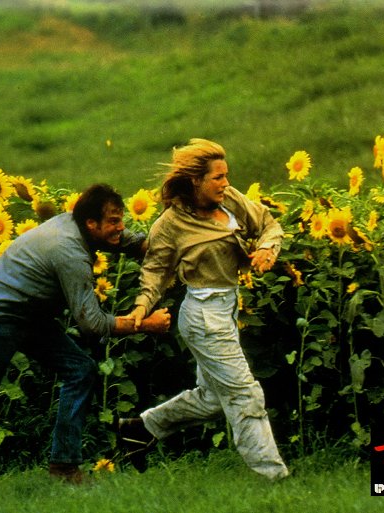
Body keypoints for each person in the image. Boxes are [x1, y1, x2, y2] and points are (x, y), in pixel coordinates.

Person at [0, 183, 171, 492]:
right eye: (113, 221)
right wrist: (146, 323)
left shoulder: (77, 224)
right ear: (90, 223)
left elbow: (122, 241)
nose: (120, 227)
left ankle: (64, 467)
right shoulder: (69, 251)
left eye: (121, 219)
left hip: (27, 317)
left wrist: (159, 244)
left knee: (80, 370)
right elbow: (93, 325)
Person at [124, 138, 289, 480]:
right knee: (245, 393)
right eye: (217, 177)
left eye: (226, 175)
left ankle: (140, 429)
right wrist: (141, 307)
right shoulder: (170, 224)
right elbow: (154, 271)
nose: (225, 183)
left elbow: (269, 224)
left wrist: (267, 249)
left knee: (213, 400)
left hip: (226, 309)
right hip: (202, 316)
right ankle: (273, 477)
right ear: (195, 181)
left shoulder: (229, 200)